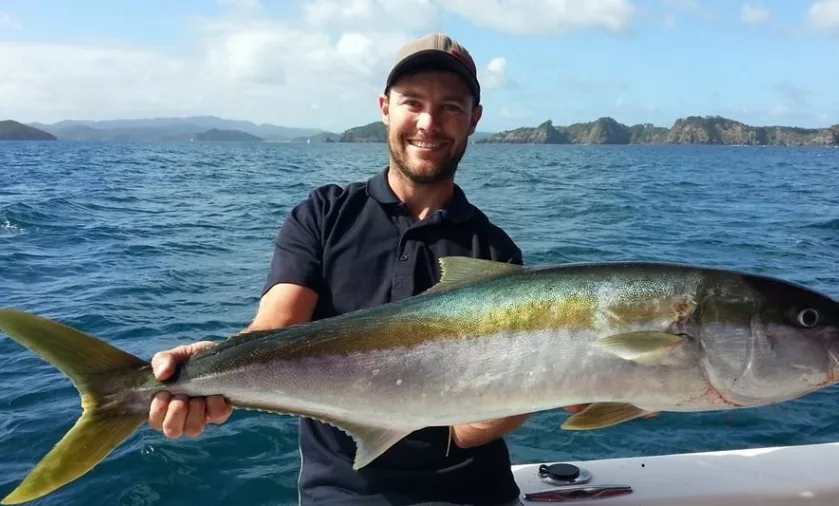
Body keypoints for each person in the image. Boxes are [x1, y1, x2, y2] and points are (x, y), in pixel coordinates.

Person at [146, 33, 586, 505]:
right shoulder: (324, 214)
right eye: (412, 102)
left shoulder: (494, 251)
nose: (428, 123)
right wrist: (209, 369)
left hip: (472, 494)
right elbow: (276, 327)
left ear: (474, 119)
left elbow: (467, 432)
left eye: (451, 107)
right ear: (385, 107)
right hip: (340, 493)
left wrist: (565, 377)